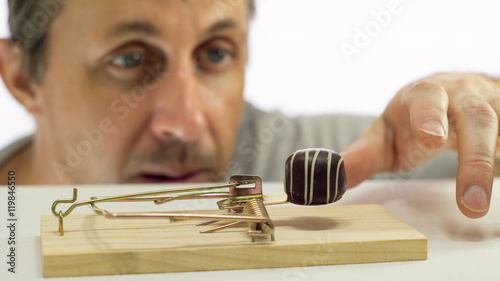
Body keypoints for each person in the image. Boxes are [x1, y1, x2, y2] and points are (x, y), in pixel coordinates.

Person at [0, 0, 499, 220]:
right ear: (24, 79)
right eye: (130, 59)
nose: (188, 123)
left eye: (215, 53)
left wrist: (483, 107)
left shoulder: (293, 161)